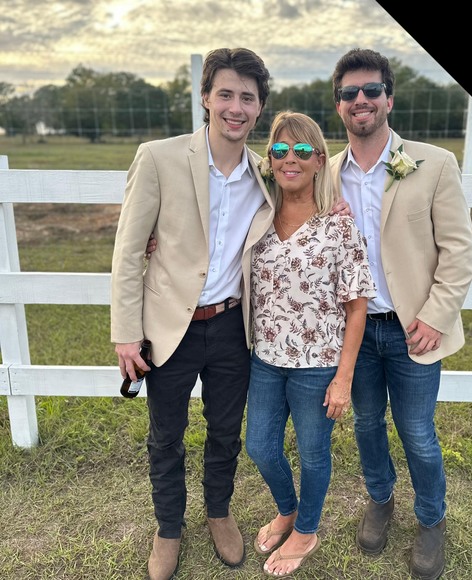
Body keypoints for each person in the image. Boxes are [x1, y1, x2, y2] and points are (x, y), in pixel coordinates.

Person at [110, 47, 275, 580]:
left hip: (232, 325)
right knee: (166, 435)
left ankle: (219, 512)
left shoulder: (266, 172)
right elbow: (128, 251)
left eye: (247, 97)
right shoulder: (158, 158)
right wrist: (126, 334)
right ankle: (168, 528)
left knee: (226, 431)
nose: (235, 107)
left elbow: (309, 200)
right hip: (169, 327)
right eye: (225, 94)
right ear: (205, 97)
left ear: (259, 107)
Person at [329, 48, 472, 580]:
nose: (361, 99)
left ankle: (432, 519)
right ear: (338, 105)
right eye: (349, 93)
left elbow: (459, 250)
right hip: (357, 332)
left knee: (417, 432)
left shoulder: (433, 163)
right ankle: (380, 499)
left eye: (371, 90)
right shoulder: (327, 173)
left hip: (414, 330)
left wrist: (436, 316)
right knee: (367, 424)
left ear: (389, 99)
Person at [245, 110, 376, 578]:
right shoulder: (258, 217)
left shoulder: (338, 226)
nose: (291, 159)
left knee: (314, 453)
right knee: (259, 446)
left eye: (302, 150)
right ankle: (288, 509)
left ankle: (306, 529)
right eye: (280, 150)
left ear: (320, 160)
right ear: (270, 159)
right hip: (265, 359)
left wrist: (343, 378)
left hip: (318, 363)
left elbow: (357, 307)